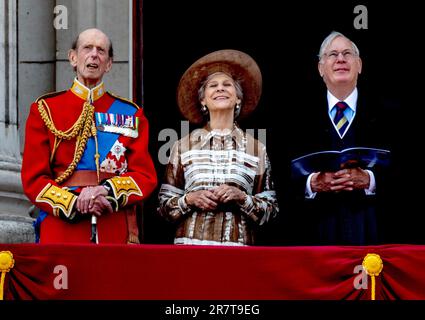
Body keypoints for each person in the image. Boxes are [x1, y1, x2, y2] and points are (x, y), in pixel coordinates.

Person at [21, 28, 157, 244]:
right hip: (62, 224)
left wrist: (106, 192)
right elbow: (34, 179)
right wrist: (73, 202)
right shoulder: (45, 109)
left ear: (109, 64)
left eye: (101, 50)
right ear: (73, 58)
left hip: (112, 221)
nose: (94, 54)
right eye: (87, 48)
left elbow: (144, 176)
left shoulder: (131, 114)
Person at [285, 31, 399, 245]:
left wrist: (370, 180)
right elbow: (279, 178)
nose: (340, 59)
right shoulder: (296, 120)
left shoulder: (390, 116)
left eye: (347, 54)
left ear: (360, 65)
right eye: (332, 54)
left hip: (375, 232)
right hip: (315, 233)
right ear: (320, 68)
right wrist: (313, 183)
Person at [157, 49, 279, 246]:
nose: (220, 89)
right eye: (213, 86)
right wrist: (190, 199)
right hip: (190, 252)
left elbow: (271, 210)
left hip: (238, 254)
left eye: (227, 85)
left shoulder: (257, 149)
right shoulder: (183, 146)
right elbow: (163, 207)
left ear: (238, 98)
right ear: (203, 100)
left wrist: (242, 198)